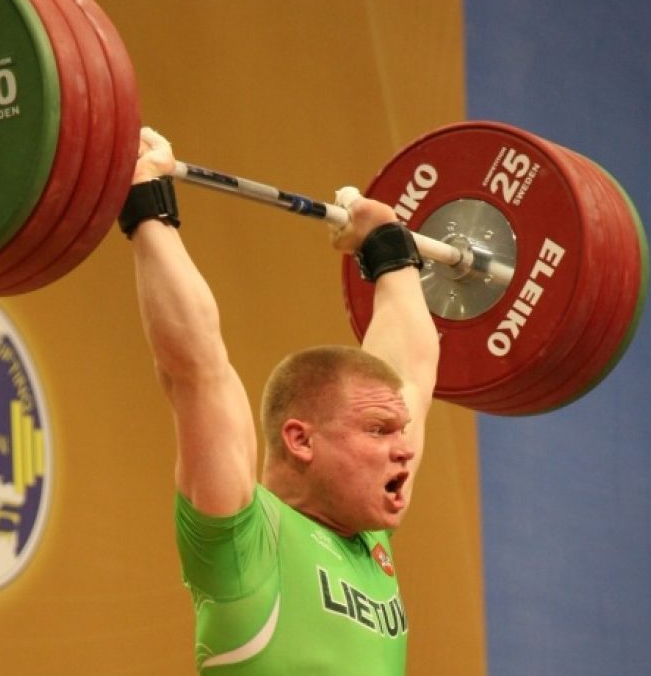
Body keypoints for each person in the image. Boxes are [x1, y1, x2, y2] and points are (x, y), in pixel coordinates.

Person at [121, 128, 440, 674]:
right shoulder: (245, 543)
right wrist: (145, 203)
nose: (404, 449)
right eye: (378, 432)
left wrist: (388, 247)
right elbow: (196, 367)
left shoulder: (370, 535)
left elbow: (412, 367)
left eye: (397, 429)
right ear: (300, 439)